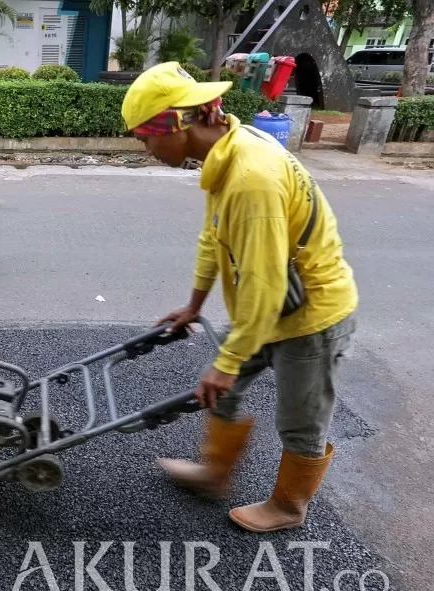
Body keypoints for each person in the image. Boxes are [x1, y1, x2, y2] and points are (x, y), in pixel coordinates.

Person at [120, 61, 359, 533]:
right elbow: (214, 239)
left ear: (179, 123)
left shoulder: (253, 177)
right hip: (267, 307)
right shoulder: (227, 154)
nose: (146, 150)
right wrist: (194, 304)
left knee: (300, 418)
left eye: (146, 137)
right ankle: (215, 473)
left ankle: (290, 507)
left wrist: (229, 360)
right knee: (218, 390)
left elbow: (266, 283)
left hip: (311, 315)